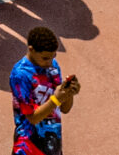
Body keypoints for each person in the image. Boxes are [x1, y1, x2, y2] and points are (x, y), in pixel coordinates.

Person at [11, 26, 78, 154]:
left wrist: (69, 93)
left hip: (53, 143)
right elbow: (32, 118)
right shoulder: (20, 75)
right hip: (29, 146)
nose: (50, 62)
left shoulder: (53, 66)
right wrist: (56, 99)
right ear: (31, 49)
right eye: (45, 58)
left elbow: (64, 108)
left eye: (53, 57)